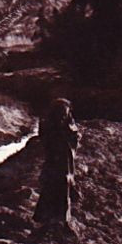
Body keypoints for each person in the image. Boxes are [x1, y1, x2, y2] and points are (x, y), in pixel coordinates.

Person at [33, 98, 78, 228]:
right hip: (55, 162)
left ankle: (59, 219)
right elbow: (49, 141)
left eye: (66, 113)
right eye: (62, 113)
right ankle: (50, 219)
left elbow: (73, 137)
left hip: (63, 161)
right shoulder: (52, 127)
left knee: (62, 188)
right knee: (53, 188)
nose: (64, 116)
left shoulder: (64, 125)